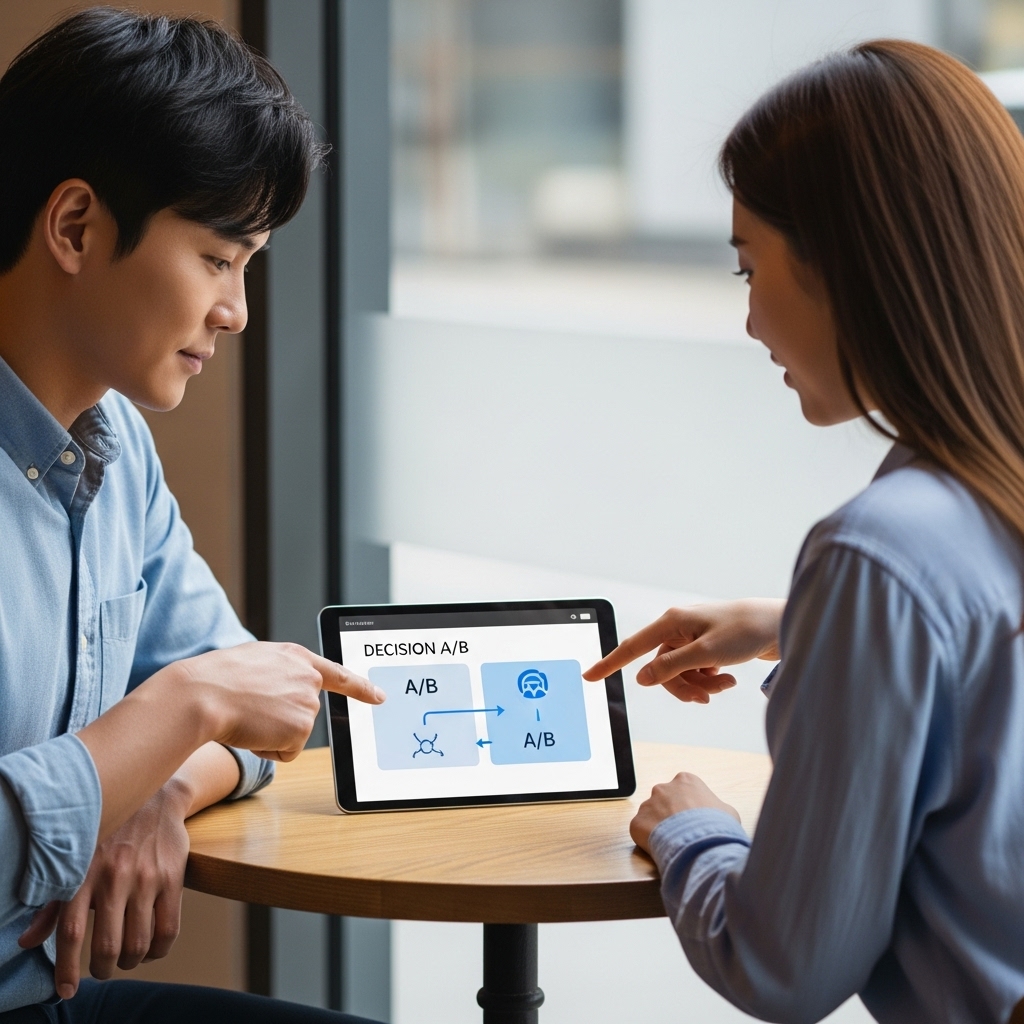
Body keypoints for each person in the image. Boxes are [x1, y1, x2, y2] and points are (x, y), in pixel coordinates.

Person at [585, 39, 1024, 1024]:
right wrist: (799, 622)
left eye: (750, 268)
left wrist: (692, 830)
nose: (749, 323)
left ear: (841, 261)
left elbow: (784, 967)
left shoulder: (881, 551)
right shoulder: (973, 511)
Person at [0, 8, 387, 1023]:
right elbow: (212, 693)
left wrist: (159, 792)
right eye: (219, 259)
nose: (237, 311)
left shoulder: (115, 447)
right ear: (76, 227)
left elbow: (263, 711)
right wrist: (174, 715)